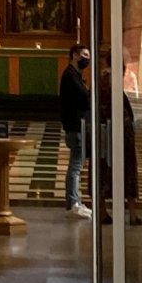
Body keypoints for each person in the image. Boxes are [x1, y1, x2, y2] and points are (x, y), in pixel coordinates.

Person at [60, 44, 92, 219]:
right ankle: (73, 203)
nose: (87, 58)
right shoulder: (70, 76)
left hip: (77, 124)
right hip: (74, 126)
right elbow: (83, 98)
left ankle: (76, 201)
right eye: (84, 55)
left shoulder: (75, 75)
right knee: (75, 166)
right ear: (74, 55)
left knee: (77, 165)